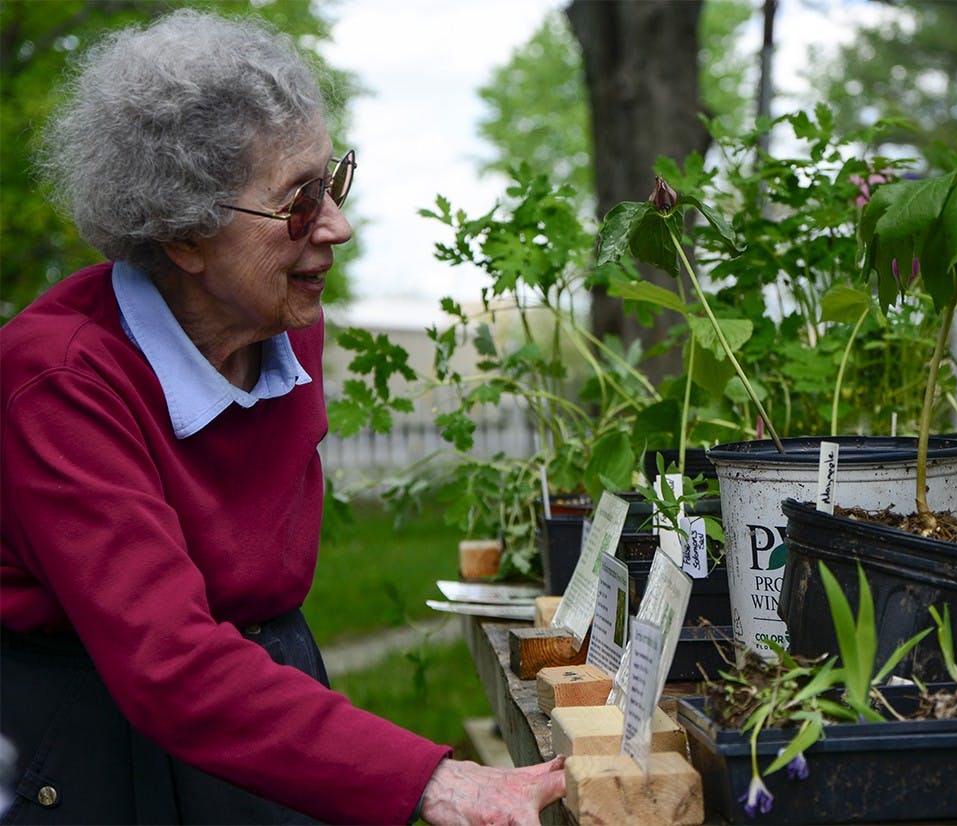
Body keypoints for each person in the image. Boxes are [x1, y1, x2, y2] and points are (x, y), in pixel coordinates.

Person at [0, 10, 565, 825]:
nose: (336, 225)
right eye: (298, 204)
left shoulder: (281, 322)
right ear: (187, 234)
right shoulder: (57, 382)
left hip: (262, 696)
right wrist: (433, 781)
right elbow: (167, 664)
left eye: (331, 182)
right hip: (92, 728)